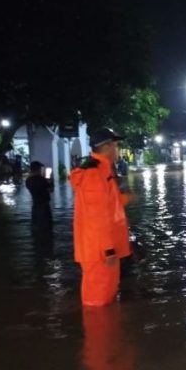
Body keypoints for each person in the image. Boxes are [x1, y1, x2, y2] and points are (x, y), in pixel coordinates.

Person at [69, 128, 133, 307]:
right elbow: (97, 216)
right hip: (99, 253)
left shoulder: (104, 170)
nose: (118, 150)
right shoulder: (94, 174)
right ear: (106, 147)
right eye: (116, 145)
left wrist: (126, 199)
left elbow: (108, 204)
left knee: (106, 300)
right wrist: (108, 250)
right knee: (97, 305)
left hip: (103, 250)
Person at [25, 161, 54, 225]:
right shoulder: (41, 179)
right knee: (46, 226)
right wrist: (50, 180)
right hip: (44, 206)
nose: (41, 170)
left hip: (35, 206)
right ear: (38, 169)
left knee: (36, 225)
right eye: (40, 169)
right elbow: (51, 190)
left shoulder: (28, 181)